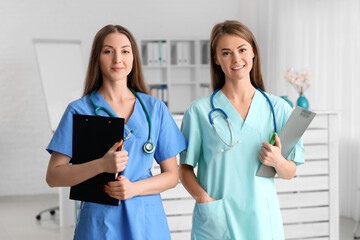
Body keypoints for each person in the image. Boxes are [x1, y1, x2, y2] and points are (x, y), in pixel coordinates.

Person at [45, 24, 186, 240]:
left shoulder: (155, 109)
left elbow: (171, 176)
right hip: (99, 221)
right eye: (108, 51)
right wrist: (101, 165)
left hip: (146, 220)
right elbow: (54, 176)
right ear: (97, 58)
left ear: (133, 57)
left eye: (125, 51)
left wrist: (133, 189)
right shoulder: (79, 110)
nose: (117, 59)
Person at [179, 20, 304, 240]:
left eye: (242, 49)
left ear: (253, 52)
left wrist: (278, 162)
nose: (236, 59)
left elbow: (290, 172)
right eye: (226, 53)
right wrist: (203, 199)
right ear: (216, 59)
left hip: (262, 220)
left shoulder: (278, 109)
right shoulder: (199, 111)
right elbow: (185, 168)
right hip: (217, 219)